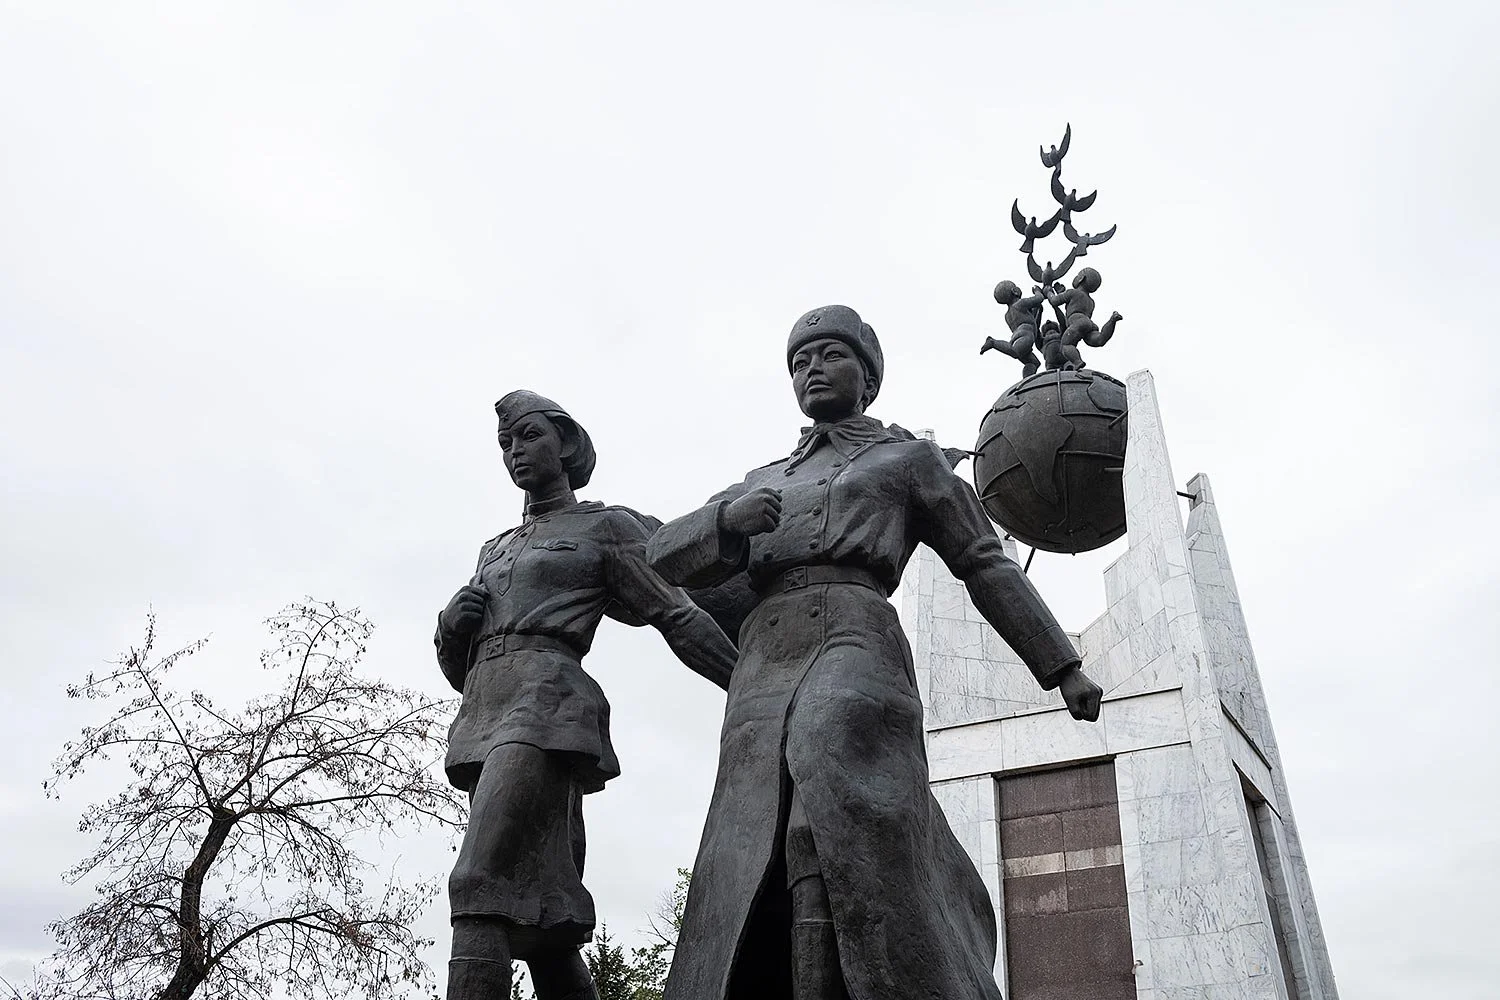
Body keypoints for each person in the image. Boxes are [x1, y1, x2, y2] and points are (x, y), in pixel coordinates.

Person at [647, 306, 1103, 1000]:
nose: (812, 370)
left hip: (855, 638)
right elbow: (662, 559)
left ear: (867, 374)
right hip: (763, 666)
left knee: (828, 805)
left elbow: (985, 563)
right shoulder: (763, 477)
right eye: (799, 362)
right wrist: (724, 522)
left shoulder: (905, 460)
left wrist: (1061, 667)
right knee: (761, 837)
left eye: (829, 355)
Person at [435, 390, 738, 1000]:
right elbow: (461, 671)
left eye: (528, 437)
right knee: (549, 922)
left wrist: (753, 687)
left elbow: (674, 614)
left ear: (566, 444)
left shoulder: (604, 528)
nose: (515, 452)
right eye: (505, 444)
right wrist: (449, 626)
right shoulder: (494, 550)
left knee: (479, 884)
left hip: (547, 708)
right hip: (486, 716)